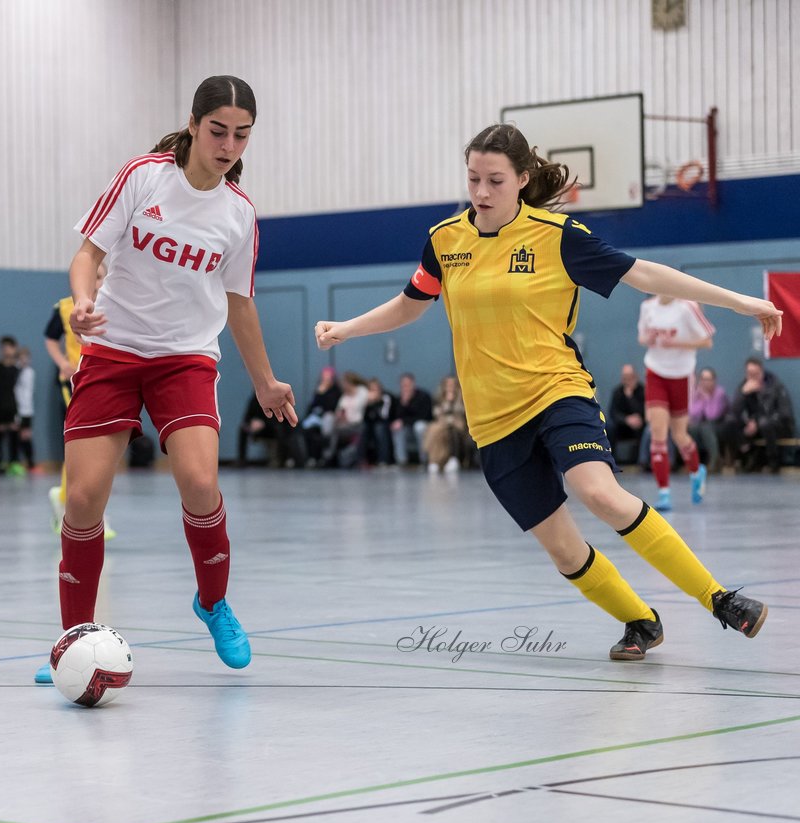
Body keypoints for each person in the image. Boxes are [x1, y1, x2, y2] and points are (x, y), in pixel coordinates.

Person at [316, 123, 779, 660]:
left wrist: (743, 303)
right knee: (562, 549)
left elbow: (645, 275)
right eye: (473, 179)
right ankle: (640, 622)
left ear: (522, 179)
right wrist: (346, 328)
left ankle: (719, 599)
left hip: (556, 391)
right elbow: (411, 302)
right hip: (491, 418)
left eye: (494, 180)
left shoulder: (556, 236)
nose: (482, 192)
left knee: (600, 493)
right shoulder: (446, 240)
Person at [36, 75, 296, 685]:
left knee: (201, 482)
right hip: (114, 352)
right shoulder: (143, 176)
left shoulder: (238, 215)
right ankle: (74, 640)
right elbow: (87, 256)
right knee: (81, 498)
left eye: (242, 134)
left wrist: (265, 381)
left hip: (184, 358)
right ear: (193, 123)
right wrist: (80, 303)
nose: (229, 145)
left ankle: (213, 601)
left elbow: (239, 303)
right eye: (218, 131)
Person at [44, 262, 117, 539]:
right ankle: (79, 510)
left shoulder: (117, 304)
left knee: (103, 450)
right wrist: (62, 362)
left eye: (101, 278)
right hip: (76, 382)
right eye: (94, 277)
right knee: (81, 446)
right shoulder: (64, 307)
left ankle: (66, 498)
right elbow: (50, 339)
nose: (97, 284)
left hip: (107, 381)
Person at [637, 295, 715, 510]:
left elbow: (707, 341)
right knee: (658, 434)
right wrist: (649, 339)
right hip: (655, 372)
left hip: (681, 375)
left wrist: (677, 343)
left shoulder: (687, 307)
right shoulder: (647, 307)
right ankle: (664, 492)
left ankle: (696, 471)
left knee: (679, 434)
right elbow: (641, 337)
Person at [724, 357, 795, 473]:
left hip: (777, 426)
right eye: (749, 374)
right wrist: (743, 393)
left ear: (761, 372)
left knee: (764, 423)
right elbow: (734, 412)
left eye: (755, 374)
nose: (752, 377)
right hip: (755, 427)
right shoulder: (744, 386)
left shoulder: (775, 385)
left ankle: (773, 462)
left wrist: (756, 422)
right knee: (729, 421)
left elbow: (784, 413)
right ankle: (747, 456)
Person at [0, 336, 23, 476]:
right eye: (4, 347)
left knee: (14, 433)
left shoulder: (18, 368)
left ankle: (14, 462)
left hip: (13, 405)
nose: (6, 350)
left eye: (9, 347)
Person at [422, 374, 468, 473]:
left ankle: (438, 460)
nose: (450, 387)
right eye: (448, 384)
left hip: (458, 425)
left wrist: (450, 403)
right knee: (439, 432)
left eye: (452, 384)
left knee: (438, 429)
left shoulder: (462, 397)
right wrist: (446, 404)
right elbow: (436, 413)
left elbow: (461, 412)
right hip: (443, 424)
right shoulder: (439, 398)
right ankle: (435, 461)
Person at [296, 366, 341, 467]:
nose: (326, 380)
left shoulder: (336, 391)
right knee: (307, 431)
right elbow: (313, 406)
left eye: (328, 378)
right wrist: (319, 393)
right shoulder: (319, 389)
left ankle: (323, 458)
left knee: (322, 434)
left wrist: (322, 393)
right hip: (316, 418)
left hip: (328, 418)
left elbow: (331, 407)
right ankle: (309, 458)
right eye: (324, 378)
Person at [688, 367, 729, 471]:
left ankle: (715, 459)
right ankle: (694, 461)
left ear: (714, 381)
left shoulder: (720, 393)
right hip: (701, 426)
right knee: (691, 429)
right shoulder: (697, 393)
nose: (705, 383)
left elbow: (712, 415)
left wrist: (706, 399)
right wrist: (701, 400)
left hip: (719, 425)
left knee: (705, 428)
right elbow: (693, 413)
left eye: (708, 379)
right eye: (703, 379)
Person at [327, 371, 368, 468]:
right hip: (346, 425)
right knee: (335, 428)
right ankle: (331, 455)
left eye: (344, 383)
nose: (343, 386)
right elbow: (339, 411)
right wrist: (340, 417)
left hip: (358, 424)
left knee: (337, 431)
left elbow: (368, 400)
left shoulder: (362, 391)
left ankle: (330, 455)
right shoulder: (344, 397)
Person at [391, 372, 433, 466]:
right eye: (403, 385)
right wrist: (404, 404)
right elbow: (397, 418)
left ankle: (424, 460)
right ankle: (402, 461)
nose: (406, 387)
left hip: (423, 427)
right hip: (408, 429)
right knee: (397, 428)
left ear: (413, 384)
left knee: (419, 426)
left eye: (408, 385)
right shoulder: (399, 399)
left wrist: (404, 421)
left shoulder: (423, 396)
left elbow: (424, 416)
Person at [607, 364, 646, 465]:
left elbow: (644, 411)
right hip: (622, 426)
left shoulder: (642, 391)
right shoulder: (617, 392)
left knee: (644, 428)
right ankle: (611, 458)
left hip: (639, 425)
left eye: (630, 377)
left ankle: (641, 461)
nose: (628, 380)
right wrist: (626, 420)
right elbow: (613, 412)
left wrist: (630, 398)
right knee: (610, 427)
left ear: (635, 377)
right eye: (625, 377)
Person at [361, 377, 396, 466]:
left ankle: (383, 459)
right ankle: (361, 459)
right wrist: (368, 405)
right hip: (370, 423)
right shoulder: (366, 399)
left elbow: (384, 415)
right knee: (362, 428)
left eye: (375, 389)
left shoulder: (386, 397)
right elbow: (364, 417)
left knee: (379, 429)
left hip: (384, 423)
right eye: (371, 389)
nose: (373, 391)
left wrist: (377, 402)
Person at [14, 346, 37, 471]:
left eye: (26, 358)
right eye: (21, 358)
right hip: (18, 410)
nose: (24, 360)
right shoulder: (16, 372)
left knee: (27, 436)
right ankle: (17, 463)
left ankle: (30, 463)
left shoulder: (30, 372)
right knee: (18, 436)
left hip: (27, 410)